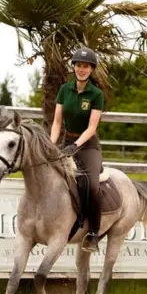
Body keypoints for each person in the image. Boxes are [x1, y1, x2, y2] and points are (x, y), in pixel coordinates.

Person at [50, 46, 105, 253]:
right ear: (73, 67)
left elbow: (92, 127)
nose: (81, 69)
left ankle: (93, 234)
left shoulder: (96, 94)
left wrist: (75, 145)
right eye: (78, 65)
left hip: (88, 146)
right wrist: (51, 145)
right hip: (66, 142)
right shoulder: (65, 90)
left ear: (92, 69)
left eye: (86, 66)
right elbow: (56, 122)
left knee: (91, 186)